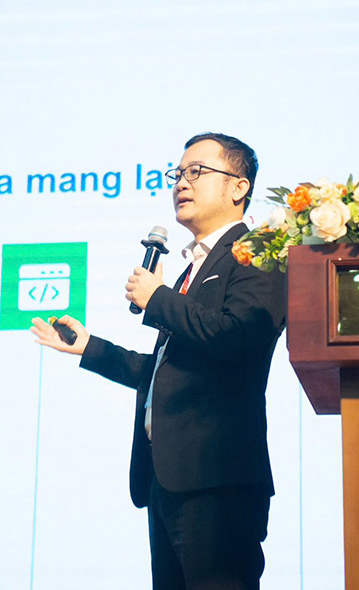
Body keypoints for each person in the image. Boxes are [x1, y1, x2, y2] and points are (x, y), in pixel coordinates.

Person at [30, 133, 287, 589]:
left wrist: (159, 298)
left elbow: (237, 338)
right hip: (168, 480)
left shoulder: (258, 253)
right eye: (178, 174)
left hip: (217, 479)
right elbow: (169, 375)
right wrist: (90, 347)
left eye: (197, 172)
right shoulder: (193, 268)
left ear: (238, 187)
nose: (181, 183)